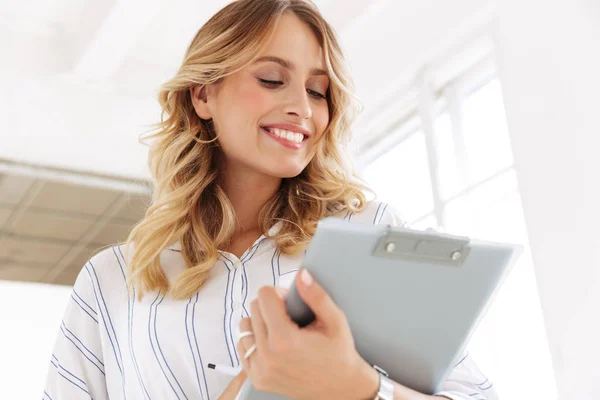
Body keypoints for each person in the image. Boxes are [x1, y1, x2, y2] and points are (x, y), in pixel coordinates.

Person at [43, 1, 499, 399]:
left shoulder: (371, 233)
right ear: (203, 93)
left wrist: (358, 387)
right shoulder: (111, 281)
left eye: (318, 91)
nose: (302, 106)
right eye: (271, 79)